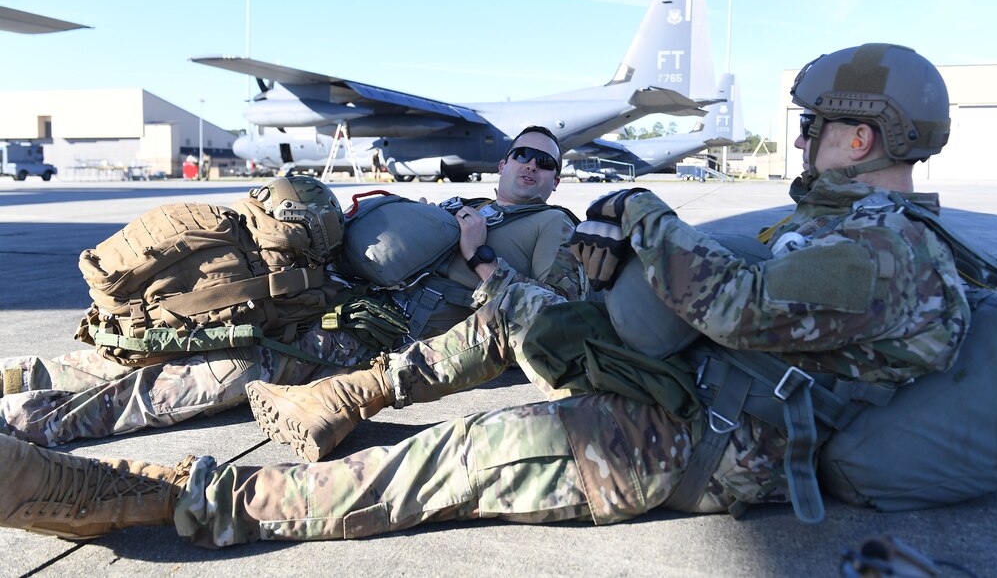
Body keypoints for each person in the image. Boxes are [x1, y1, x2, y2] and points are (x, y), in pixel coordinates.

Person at [0, 43, 972, 547]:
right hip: (674, 388)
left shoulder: (876, 252)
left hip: (700, 432)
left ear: (859, 134)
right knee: (202, 352)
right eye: (520, 155)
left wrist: (635, 214)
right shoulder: (839, 236)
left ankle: (138, 502)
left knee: (436, 466)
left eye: (814, 125)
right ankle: (52, 397)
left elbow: (721, 308)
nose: (800, 140)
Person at [0, 126, 583, 446]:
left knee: (228, 372)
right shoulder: (471, 204)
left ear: (557, 181)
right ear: (505, 162)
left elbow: (550, 321)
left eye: (545, 162)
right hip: (338, 295)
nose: (530, 165)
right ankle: (30, 375)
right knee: (201, 334)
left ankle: (34, 418)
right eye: (521, 154)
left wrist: (480, 257)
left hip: (380, 333)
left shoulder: (553, 226)